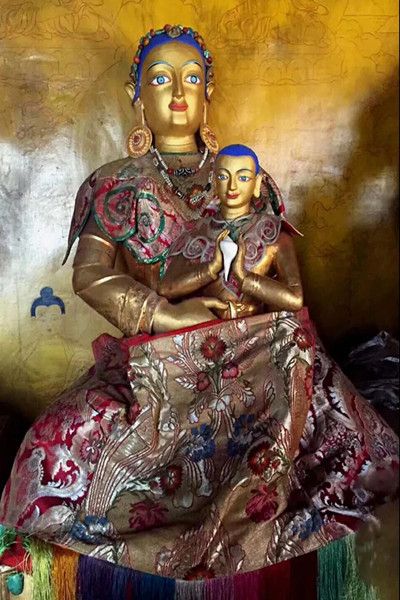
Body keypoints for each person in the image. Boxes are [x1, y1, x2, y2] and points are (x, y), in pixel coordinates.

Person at [0, 24, 397, 595]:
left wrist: (248, 302)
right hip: (157, 361)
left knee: (338, 445)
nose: (179, 92)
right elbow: (91, 275)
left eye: (191, 78)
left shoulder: (245, 176)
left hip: (255, 352)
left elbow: (280, 276)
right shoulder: (116, 184)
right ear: (137, 96)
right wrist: (164, 315)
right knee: (52, 446)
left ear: (208, 93)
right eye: (161, 79)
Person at [159, 143, 303, 320]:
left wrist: (245, 278)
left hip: (256, 327)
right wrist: (210, 269)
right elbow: (165, 289)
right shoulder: (196, 230)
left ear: (257, 183)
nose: (232, 186)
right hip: (205, 326)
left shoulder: (274, 233)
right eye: (223, 176)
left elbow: (295, 299)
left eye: (243, 178)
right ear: (214, 182)